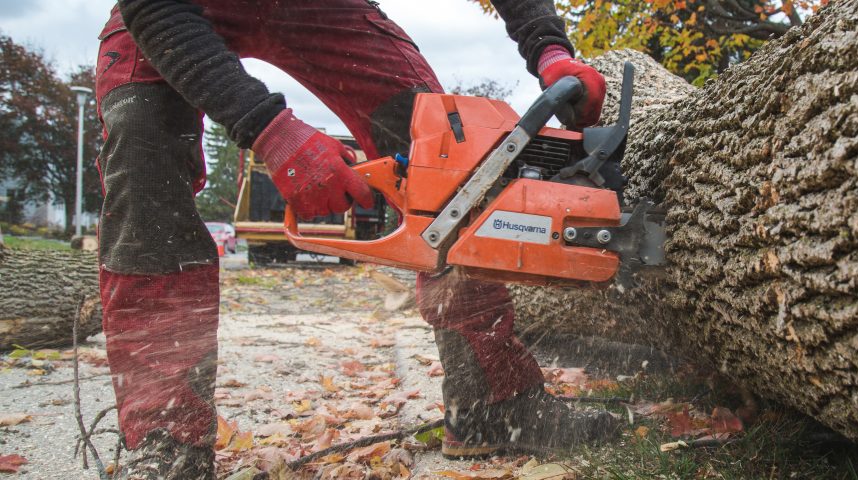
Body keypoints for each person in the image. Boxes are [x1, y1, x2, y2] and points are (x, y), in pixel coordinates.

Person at [93, 1, 616, 477]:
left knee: (447, 142)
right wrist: (272, 131)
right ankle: (165, 439)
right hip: (170, 10)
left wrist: (549, 48)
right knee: (142, 145)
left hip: (325, 9)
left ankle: (492, 404)